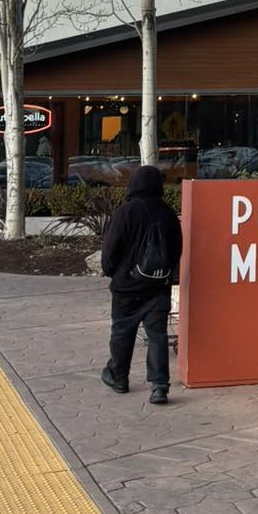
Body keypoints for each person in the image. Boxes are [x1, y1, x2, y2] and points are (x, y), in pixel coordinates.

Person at [99, 164, 182, 405]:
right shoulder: (168, 214)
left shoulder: (125, 213)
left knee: (122, 331)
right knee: (157, 334)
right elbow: (177, 249)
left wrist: (112, 272)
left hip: (126, 286)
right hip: (158, 286)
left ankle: (118, 377)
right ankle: (159, 387)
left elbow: (110, 250)